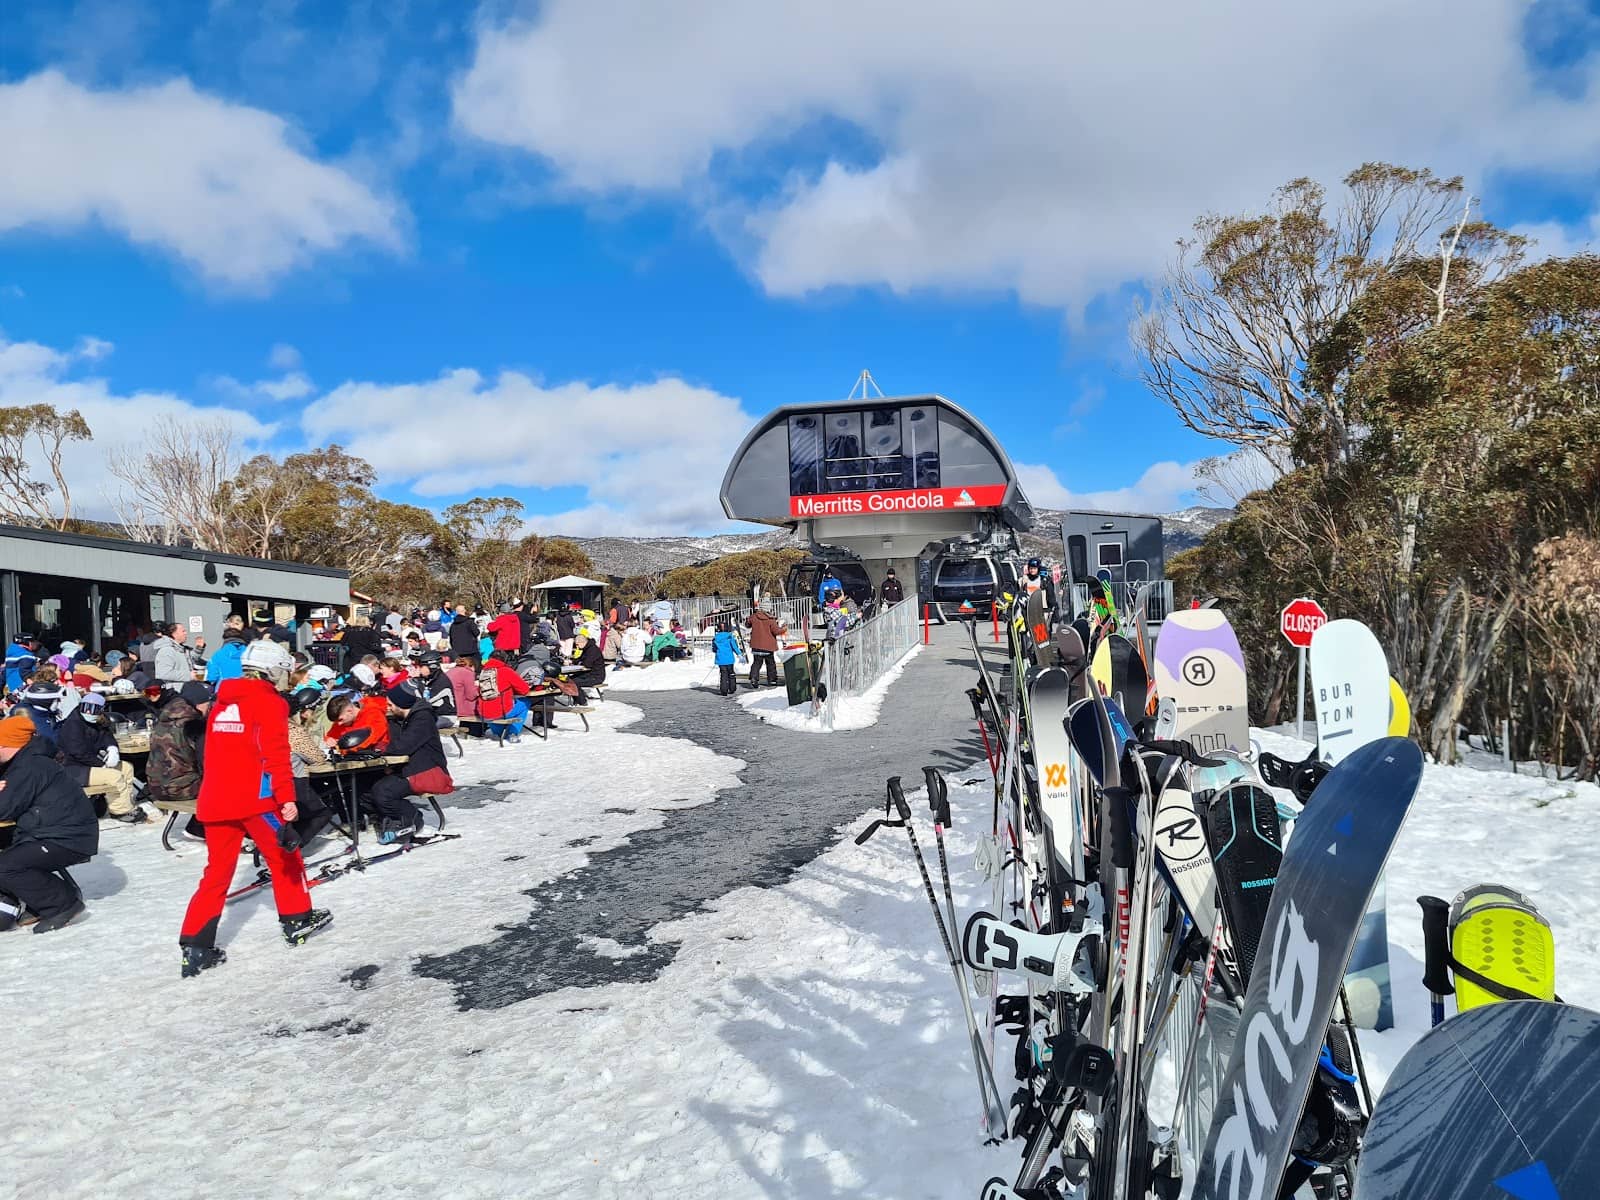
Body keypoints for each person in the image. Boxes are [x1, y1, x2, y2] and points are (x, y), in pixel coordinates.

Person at [177, 639, 331, 976]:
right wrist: (286, 797)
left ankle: (195, 945)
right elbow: (275, 755)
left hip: (216, 797)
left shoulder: (221, 701)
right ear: (273, 669)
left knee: (216, 873)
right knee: (285, 858)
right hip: (256, 798)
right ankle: (297, 920)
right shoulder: (270, 703)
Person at [0, 714, 97, 933]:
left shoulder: (29, 767)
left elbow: (3, 809)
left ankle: (62, 904)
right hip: (46, 831)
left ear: (6, 744)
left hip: (66, 838)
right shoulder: (22, 762)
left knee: (5, 866)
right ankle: (35, 899)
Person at [367, 684, 455, 844]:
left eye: (391, 704)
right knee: (368, 785)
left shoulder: (422, 718)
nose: (388, 708)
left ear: (401, 703)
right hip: (413, 768)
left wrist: (381, 748)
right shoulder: (403, 719)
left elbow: (404, 745)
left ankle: (414, 819)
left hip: (429, 771)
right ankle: (391, 821)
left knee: (383, 791)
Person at [55, 692, 143, 823]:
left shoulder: (99, 720)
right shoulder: (72, 724)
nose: (90, 713)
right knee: (114, 776)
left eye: (94, 710)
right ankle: (120, 811)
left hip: (91, 763)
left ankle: (123, 804)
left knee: (126, 768)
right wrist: (101, 764)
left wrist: (112, 749)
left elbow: (107, 736)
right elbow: (78, 752)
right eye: (86, 708)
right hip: (73, 767)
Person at [146, 681, 212, 840]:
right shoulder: (194, 724)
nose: (209, 708)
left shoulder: (164, 718)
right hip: (180, 788)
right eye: (207, 704)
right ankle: (201, 828)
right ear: (198, 704)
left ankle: (197, 826)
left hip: (155, 785)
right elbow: (206, 763)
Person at [476, 652, 532, 737]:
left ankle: (498, 733)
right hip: (502, 711)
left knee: (492, 708)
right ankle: (512, 732)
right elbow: (524, 690)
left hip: (483, 712)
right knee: (525, 703)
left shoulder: (483, 672)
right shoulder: (506, 671)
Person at [744, 603, 786, 688]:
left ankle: (754, 678)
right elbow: (776, 631)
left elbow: (747, 625)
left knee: (756, 663)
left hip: (756, 645)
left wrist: (747, 620)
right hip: (768, 647)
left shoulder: (754, 616)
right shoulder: (770, 619)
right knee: (770, 664)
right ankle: (772, 680)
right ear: (768, 609)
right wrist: (784, 629)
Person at [205, 614, 253, 683]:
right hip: (245, 690)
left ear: (225, 639)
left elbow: (212, 678)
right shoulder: (249, 654)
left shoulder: (218, 655)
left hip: (224, 690)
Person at [150, 623, 198, 688]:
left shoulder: (181, 649)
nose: (186, 633)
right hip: (175, 692)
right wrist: (189, 675)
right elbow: (164, 673)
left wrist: (199, 648)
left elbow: (193, 658)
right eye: (183, 631)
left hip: (187, 688)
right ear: (174, 634)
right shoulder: (166, 651)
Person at [566, 631, 606, 698]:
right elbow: (581, 659)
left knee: (573, 683)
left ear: (582, 642)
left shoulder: (592, 650)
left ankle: (582, 700)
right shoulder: (587, 648)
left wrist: (579, 663)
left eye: (577, 644)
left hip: (596, 676)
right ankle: (579, 698)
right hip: (589, 674)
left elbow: (587, 664)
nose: (577, 647)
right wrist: (572, 661)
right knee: (568, 679)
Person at [711, 621, 744, 696]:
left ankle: (724, 690)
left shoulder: (715, 638)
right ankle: (732, 688)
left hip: (720, 659)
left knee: (723, 675)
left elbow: (714, 649)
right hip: (729, 659)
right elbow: (734, 646)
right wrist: (739, 654)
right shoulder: (729, 636)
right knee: (731, 674)